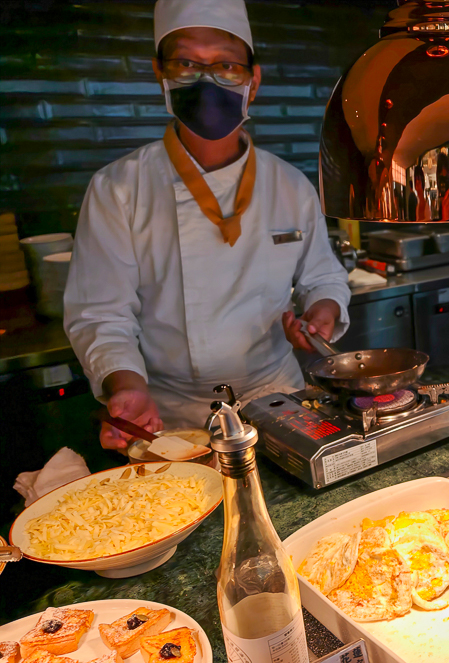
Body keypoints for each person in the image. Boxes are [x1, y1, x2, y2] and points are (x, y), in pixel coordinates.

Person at [63, 0, 352, 449]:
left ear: (253, 80)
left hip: (278, 395)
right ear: (161, 73)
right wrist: (125, 386)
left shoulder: (291, 185)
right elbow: (100, 314)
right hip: (170, 413)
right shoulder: (118, 188)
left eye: (226, 65)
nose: (206, 79)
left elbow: (323, 275)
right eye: (186, 63)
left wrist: (324, 311)